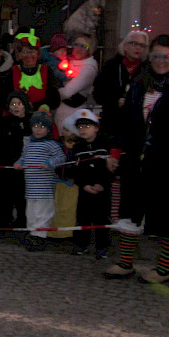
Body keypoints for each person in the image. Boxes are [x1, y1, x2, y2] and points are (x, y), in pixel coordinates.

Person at [106, 35, 169, 284]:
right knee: (131, 211)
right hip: (137, 161)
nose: (160, 61)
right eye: (156, 56)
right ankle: (125, 263)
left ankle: (163, 269)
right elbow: (125, 121)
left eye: (165, 56)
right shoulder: (139, 84)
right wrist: (115, 151)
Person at [66, 108, 117, 259]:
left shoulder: (106, 145)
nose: (83, 130)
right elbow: (74, 170)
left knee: (102, 219)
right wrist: (83, 185)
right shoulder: (78, 148)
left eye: (87, 126)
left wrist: (103, 184)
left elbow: (112, 168)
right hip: (85, 190)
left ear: (96, 128)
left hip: (102, 190)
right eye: (80, 127)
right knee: (83, 218)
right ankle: (81, 244)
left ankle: (102, 247)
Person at [13, 109, 67, 251]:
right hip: (31, 187)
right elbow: (23, 158)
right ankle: (32, 233)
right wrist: (18, 163)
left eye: (42, 127)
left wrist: (49, 163)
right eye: (35, 126)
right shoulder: (29, 144)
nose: (38, 130)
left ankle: (40, 236)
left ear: (48, 129)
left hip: (45, 188)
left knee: (43, 212)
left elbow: (61, 158)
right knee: (30, 212)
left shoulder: (51, 144)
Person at [0, 91, 30, 237]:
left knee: (22, 199)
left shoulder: (31, 123)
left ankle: (22, 226)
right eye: (13, 104)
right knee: (2, 198)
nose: (16, 107)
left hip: (25, 169)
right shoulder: (3, 123)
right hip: (6, 168)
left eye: (19, 104)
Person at [93, 29, 149, 140]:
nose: (138, 48)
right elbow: (98, 94)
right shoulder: (111, 66)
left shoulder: (147, 69)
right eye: (134, 43)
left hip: (136, 128)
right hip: (112, 124)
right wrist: (115, 101)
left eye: (142, 45)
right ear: (125, 46)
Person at [54, 34, 99, 136]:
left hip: (71, 112)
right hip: (59, 110)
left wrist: (53, 92)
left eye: (83, 46)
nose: (78, 48)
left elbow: (67, 92)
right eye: (76, 44)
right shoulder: (67, 61)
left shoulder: (88, 68)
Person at [10, 30, 61, 114]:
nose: (29, 56)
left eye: (32, 52)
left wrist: (36, 106)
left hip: (40, 116)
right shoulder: (13, 71)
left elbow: (54, 100)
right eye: (25, 52)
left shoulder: (46, 70)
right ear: (19, 55)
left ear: (38, 54)